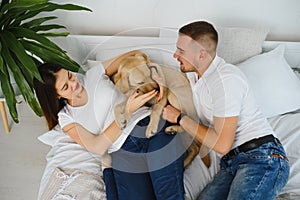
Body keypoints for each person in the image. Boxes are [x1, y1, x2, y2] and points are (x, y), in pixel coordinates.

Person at [33, 50, 186, 200]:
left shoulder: (93, 74)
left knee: (168, 193)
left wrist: (151, 74)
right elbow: (97, 147)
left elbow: (134, 54)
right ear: (57, 95)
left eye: (70, 76)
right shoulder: (66, 117)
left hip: (149, 126)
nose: (74, 83)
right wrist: (127, 111)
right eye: (65, 87)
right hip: (123, 152)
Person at [162, 21, 290, 199]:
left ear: (201, 55)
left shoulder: (225, 80)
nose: (175, 55)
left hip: (262, 158)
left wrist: (180, 119)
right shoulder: (194, 77)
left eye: (181, 51)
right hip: (231, 163)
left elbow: (222, 145)